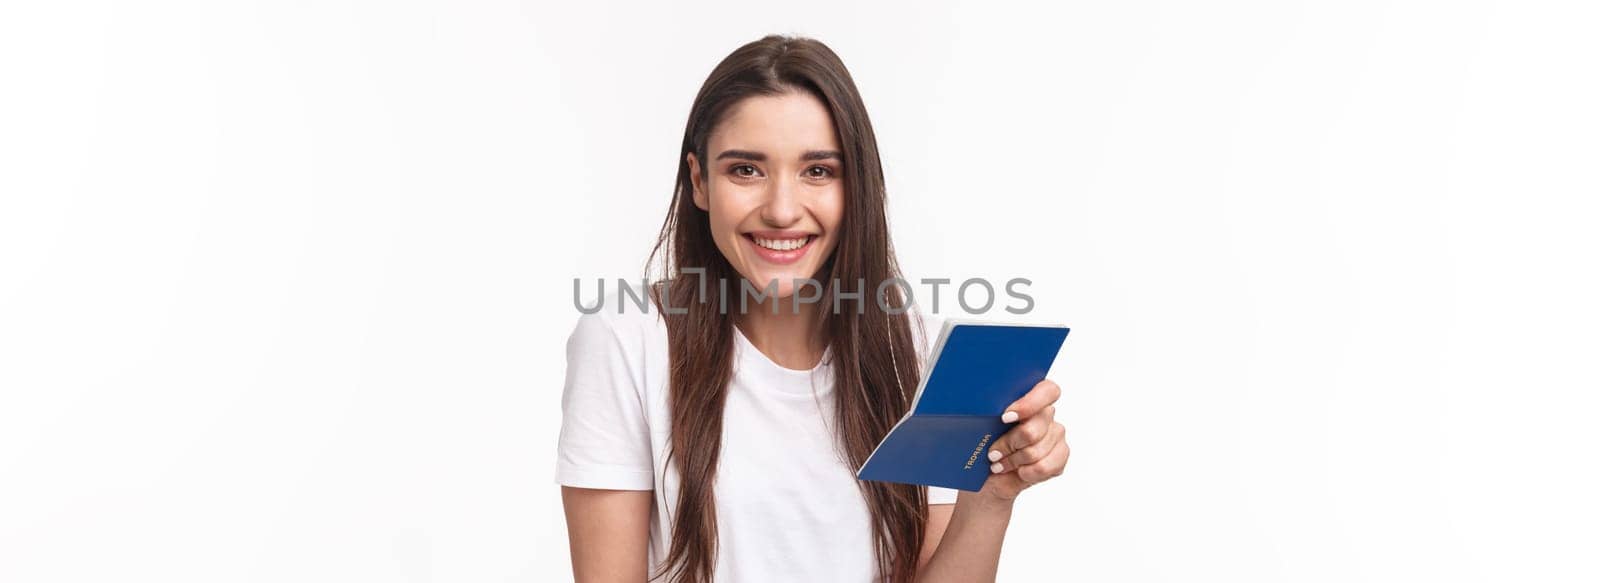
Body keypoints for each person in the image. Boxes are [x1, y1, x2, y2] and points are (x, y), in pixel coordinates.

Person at [555, 34, 1069, 583]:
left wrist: (989, 495)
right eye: (745, 170)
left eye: (818, 171)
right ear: (700, 181)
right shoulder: (627, 341)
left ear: (857, 187)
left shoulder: (914, 351)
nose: (781, 210)